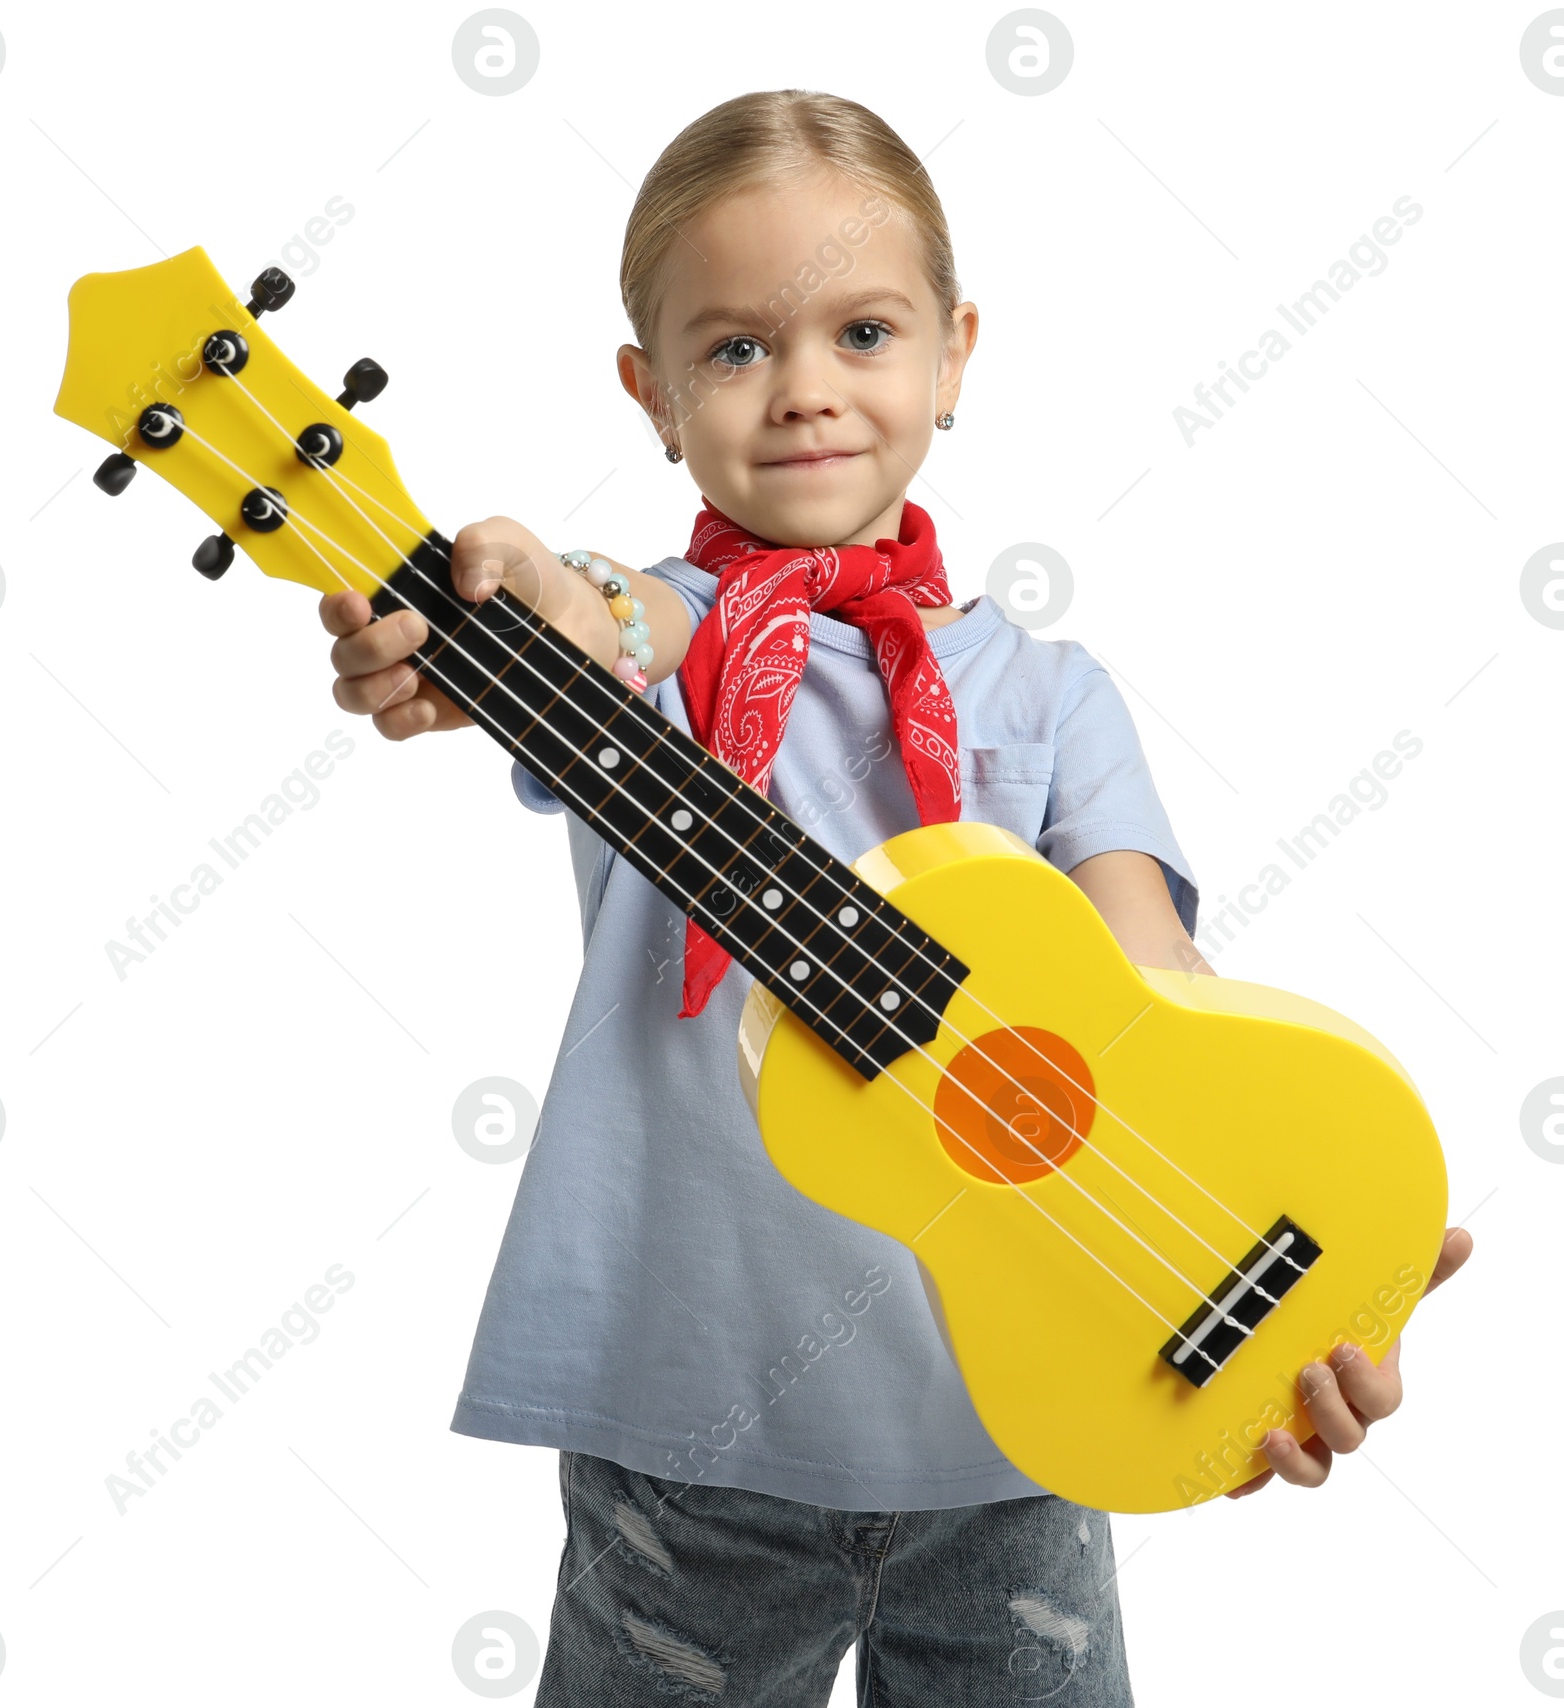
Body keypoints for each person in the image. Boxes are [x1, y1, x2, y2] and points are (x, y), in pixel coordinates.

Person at [318, 89, 1472, 1708]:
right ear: (650, 394)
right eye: (734, 350)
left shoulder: (1058, 702)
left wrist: (1315, 1263)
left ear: (955, 354)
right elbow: (608, 621)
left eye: (863, 331)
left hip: (1021, 1420)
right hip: (695, 1434)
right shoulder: (651, 671)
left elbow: (1162, 1002)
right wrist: (514, 605)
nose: (804, 392)